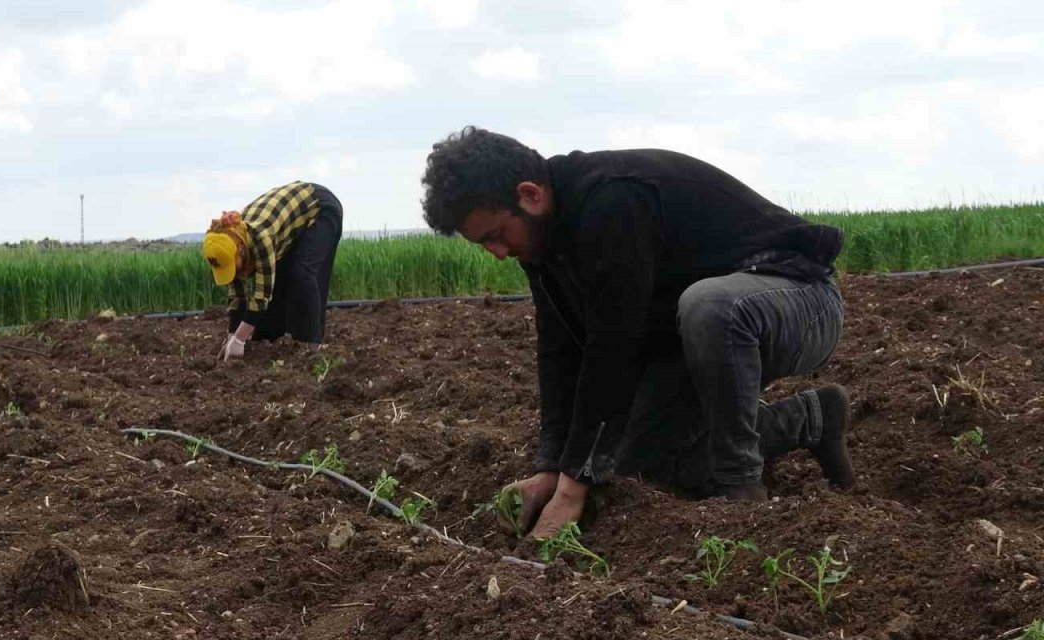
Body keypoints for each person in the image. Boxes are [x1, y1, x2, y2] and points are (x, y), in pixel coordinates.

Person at [420, 126, 854, 539]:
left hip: (800, 301)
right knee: (638, 465)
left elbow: (613, 348)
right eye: (483, 244)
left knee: (711, 306)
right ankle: (810, 419)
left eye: (495, 236)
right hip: (691, 339)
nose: (497, 254)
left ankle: (741, 487)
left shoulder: (612, 201)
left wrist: (574, 490)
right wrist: (552, 469)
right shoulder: (544, 241)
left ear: (529, 196)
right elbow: (562, 353)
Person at [201, 181, 343, 361]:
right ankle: (273, 340)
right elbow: (238, 295)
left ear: (242, 251)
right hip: (289, 223)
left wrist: (240, 338)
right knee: (279, 284)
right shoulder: (230, 241)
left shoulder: (261, 238)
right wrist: (231, 334)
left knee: (302, 275)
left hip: (320, 208)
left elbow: (261, 296)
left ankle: (311, 347)